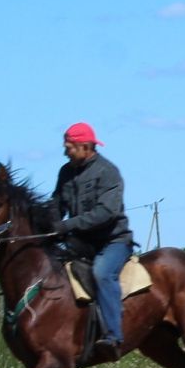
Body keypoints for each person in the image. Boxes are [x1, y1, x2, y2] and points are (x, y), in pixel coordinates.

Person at [53, 122, 135, 356]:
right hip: (79, 244)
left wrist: (66, 225)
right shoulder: (65, 172)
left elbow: (105, 213)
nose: (65, 152)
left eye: (69, 147)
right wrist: (49, 224)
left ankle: (113, 336)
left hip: (113, 242)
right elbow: (56, 205)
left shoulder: (108, 172)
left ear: (85, 146)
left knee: (102, 273)